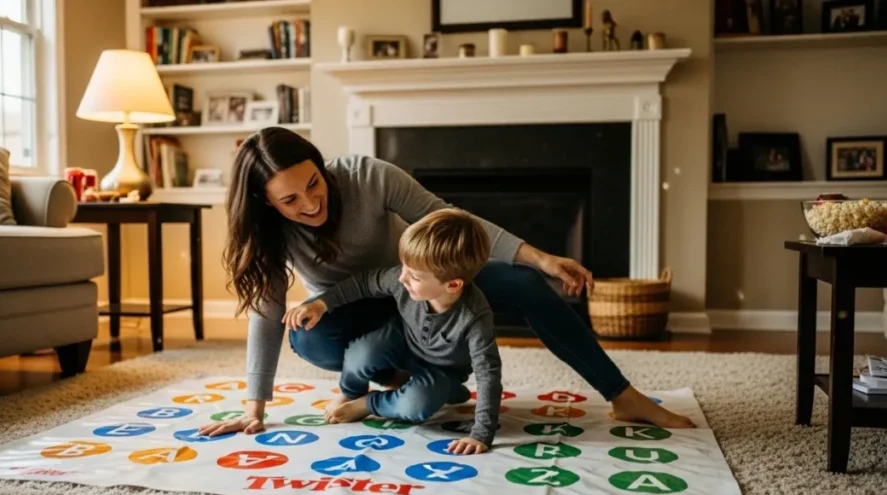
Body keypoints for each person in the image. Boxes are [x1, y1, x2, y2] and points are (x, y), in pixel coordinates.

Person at [197, 127, 694, 438]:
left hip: (427, 288)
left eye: (313, 183)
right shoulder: (267, 233)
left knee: (526, 285)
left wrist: (541, 258)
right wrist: (254, 407)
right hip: (362, 306)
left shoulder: (367, 177)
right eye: (290, 201)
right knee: (307, 334)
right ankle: (404, 381)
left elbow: (452, 220)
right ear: (266, 204)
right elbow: (266, 314)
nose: (310, 203)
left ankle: (622, 395)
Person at [282, 208, 502, 455]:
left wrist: (481, 434)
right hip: (402, 343)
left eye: (414, 276)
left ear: (452, 285)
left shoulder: (474, 318)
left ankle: (371, 403)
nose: (401, 278)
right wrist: (322, 303)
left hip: (442, 370)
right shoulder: (401, 279)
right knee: (362, 352)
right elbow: (363, 283)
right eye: (403, 268)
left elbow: (488, 374)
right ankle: (352, 393)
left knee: (417, 405)